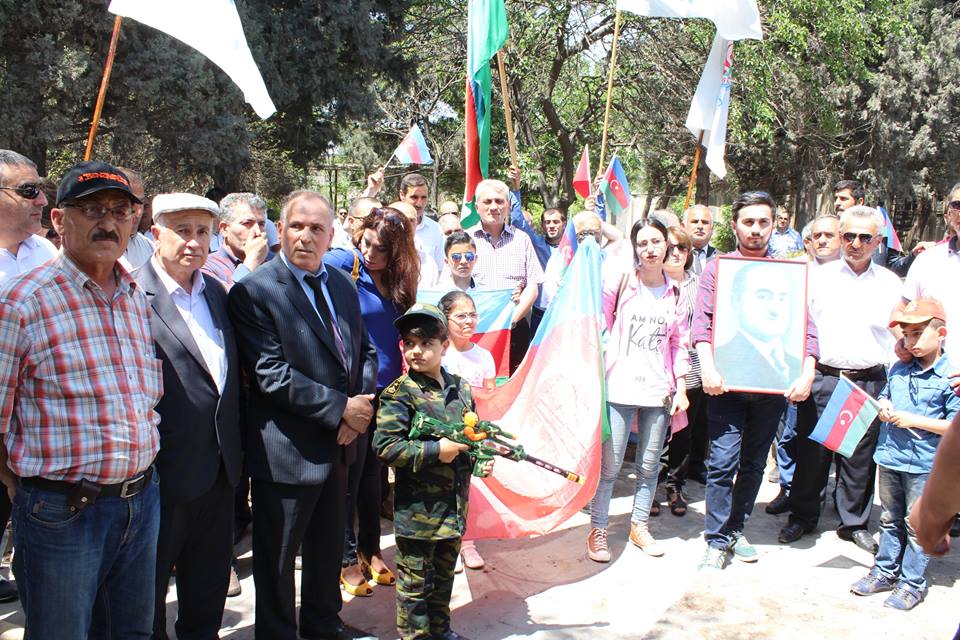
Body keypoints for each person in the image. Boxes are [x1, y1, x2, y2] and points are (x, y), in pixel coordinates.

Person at [0, 160, 162, 637]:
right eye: (91, 209)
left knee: (131, 632)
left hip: (141, 502)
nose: (108, 223)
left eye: (120, 210)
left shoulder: (135, 296)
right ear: (58, 219)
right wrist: (22, 486)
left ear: (134, 220)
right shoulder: (22, 304)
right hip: (63, 513)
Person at [228, 190, 378, 640]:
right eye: (296, 226)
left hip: (340, 446)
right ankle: (277, 633)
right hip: (288, 452)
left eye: (316, 228)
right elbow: (271, 375)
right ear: (279, 230)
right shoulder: (255, 291)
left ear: (331, 235)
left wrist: (359, 409)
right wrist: (341, 410)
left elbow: (364, 351)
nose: (306, 236)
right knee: (277, 558)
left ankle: (323, 624)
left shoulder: (342, 284)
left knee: (328, 547)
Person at [135, 193, 243, 638]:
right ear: (155, 234)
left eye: (203, 232)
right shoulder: (130, 294)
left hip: (219, 473)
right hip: (162, 477)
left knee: (207, 590)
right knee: (147, 599)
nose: (194, 242)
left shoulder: (216, 292)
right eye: (182, 231)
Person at [692, 191, 818, 571]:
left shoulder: (789, 273)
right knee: (721, 464)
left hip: (771, 390)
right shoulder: (717, 268)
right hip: (726, 387)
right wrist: (707, 367)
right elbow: (702, 323)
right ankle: (716, 540)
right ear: (735, 226)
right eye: (748, 222)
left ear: (774, 225)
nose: (756, 229)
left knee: (753, 466)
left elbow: (807, 329)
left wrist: (807, 372)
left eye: (764, 222)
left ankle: (735, 530)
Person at [779, 206, 902, 551]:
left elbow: (898, 336)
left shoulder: (890, 283)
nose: (856, 243)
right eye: (849, 236)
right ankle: (803, 516)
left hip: (868, 379)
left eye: (865, 237)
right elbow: (799, 328)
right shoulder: (818, 277)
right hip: (824, 377)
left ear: (878, 241)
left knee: (859, 457)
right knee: (812, 453)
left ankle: (853, 523)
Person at [373, 304, 493, 640]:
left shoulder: (461, 389)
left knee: (443, 582)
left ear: (444, 346)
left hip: (453, 510)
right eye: (409, 343)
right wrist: (437, 450)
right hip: (417, 516)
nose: (416, 351)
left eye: (426, 343)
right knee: (414, 589)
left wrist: (480, 459)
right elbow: (386, 448)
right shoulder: (399, 395)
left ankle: (441, 631)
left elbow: (470, 439)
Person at [325, 206, 419, 597]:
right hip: (355, 391)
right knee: (347, 477)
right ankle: (345, 557)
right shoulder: (343, 265)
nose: (371, 253)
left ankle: (370, 549)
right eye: (366, 243)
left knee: (373, 479)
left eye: (381, 249)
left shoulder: (400, 278)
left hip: (390, 391)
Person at [588, 217, 690, 562]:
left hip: (658, 392)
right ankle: (598, 529)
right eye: (642, 243)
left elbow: (680, 343)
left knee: (649, 466)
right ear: (635, 248)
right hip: (619, 388)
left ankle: (639, 525)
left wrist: (681, 387)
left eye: (656, 242)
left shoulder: (675, 293)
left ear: (667, 245)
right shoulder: (621, 283)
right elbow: (600, 325)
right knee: (611, 467)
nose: (650, 249)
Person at [849, 298, 958, 610]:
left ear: (941, 334)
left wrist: (914, 421)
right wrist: (884, 405)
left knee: (917, 525)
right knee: (888, 519)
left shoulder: (951, 377)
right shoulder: (898, 368)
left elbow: (953, 426)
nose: (910, 342)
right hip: (890, 457)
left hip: (924, 464)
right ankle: (885, 571)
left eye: (918, 334)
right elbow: (886, 394)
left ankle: (912, 583)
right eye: (906, 335)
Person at [0, 150, 57, 605]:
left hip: (35, 431)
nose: (42, 200)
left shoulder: (47, 253)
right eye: (28, 190)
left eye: (41, 189)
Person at [438, 290, 496, 571]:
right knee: (443, 489)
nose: (468, 321)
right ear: (445, 319)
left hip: (473, 437)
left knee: (468, 490)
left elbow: (490, 397)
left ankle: (468, 542)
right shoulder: (439, 355)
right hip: (443, 435)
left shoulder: (484, 356)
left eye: (472, 315)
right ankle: (446, 544)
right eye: (460, 316)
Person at [467, 179, 544, 373]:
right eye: (487, 201)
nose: (494, 207)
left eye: (499, 201)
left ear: (508, 205)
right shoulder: (465, 240)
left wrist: (511, 321)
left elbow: (533, 285)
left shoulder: (522, 240)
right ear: (477, 207)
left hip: (514, 328)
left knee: (511, 382)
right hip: (474, 329)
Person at [658, 225, 705, 514]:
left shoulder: (701, 284)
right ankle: (651, 485)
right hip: (657, 367)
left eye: (682, 247)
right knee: (655, 429)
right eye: (671, 247)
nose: (676, 253)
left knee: (684, 431)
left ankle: (675, 485)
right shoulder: (651, 281)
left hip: (692, 368)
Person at [713, 261, 803, 392]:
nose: (775, 308)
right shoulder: (721, 361)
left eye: (782, 298)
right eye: (763, 297)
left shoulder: (797, 367)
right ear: (736, 301)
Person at [833, 180, 931, 276]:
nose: (837, 203)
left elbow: (894, 266)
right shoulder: (827, 230)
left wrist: (913, 255)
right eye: (835, 198)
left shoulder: (881, 225)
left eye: (843, 199)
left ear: (859, 202)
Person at [202, 192, 270, 289]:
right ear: (224, 229)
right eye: (247, 223)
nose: (258, 232)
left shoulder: (270, 266)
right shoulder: (207, 267)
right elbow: (230, 296)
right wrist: (250, 263)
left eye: (261, 224)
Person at [117, 166, 156, 270]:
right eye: (131, 202)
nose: (138, 213)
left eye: (141, 202)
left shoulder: (149, 247)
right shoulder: (93, 248)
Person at [684, 204, 717, 275]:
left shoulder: (722, 259)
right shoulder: (674, 255)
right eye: (695, 221)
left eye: (705, 222)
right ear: (683, 227)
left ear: (712, 228)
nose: (700, 226)